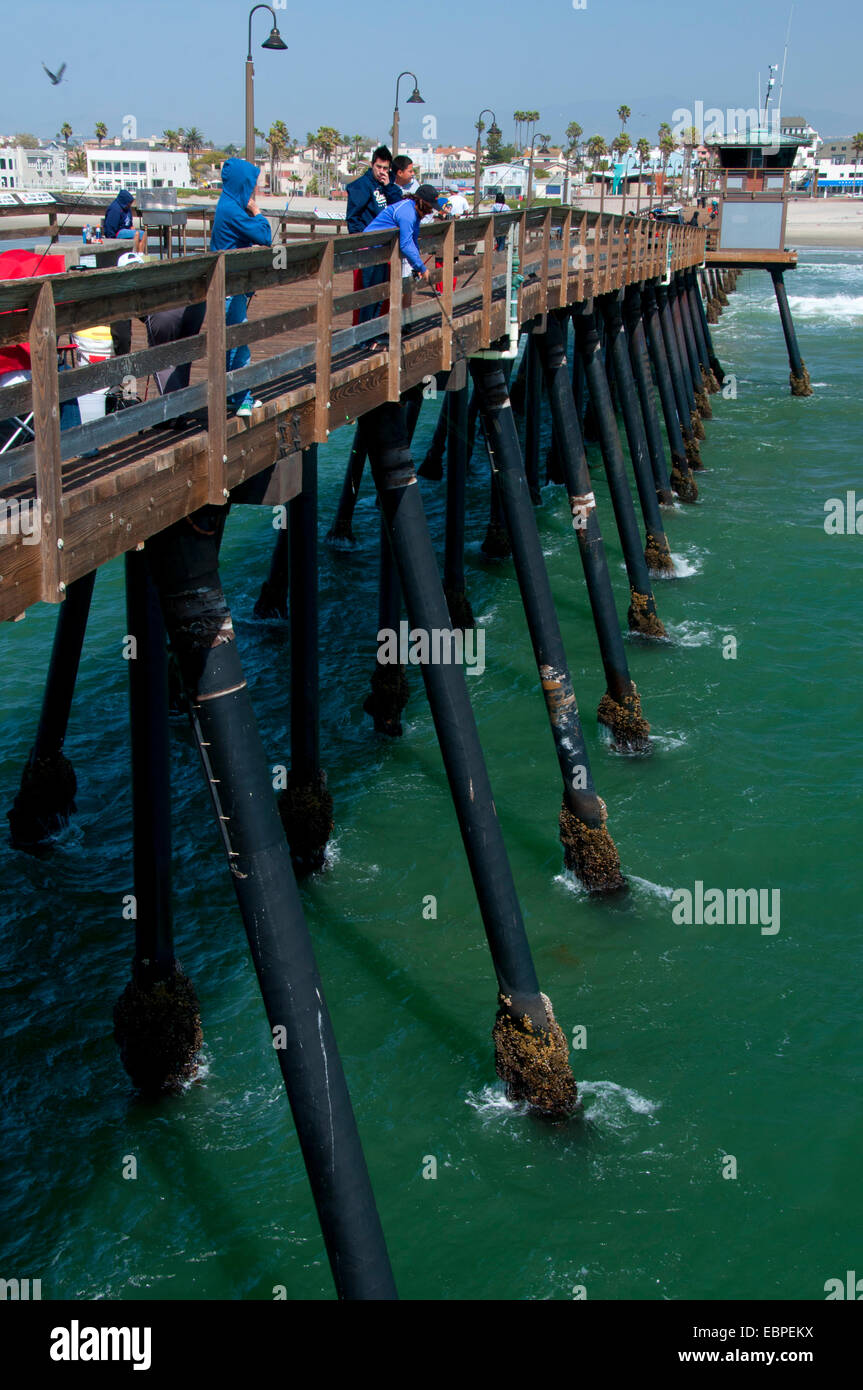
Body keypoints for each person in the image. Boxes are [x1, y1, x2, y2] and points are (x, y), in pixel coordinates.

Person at [210, 157, 272, 417]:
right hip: (228, 288)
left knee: (232, 341)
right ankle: (241, 398)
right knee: (237, 342)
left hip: (230, 286)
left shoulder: (227, 204)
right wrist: (256, 211)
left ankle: (233, 395)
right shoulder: (232, 210)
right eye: (251, 184)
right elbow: (266, 236)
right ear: (242, 184)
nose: (253, 190)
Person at [360, 185, 439, 336]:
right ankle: (365, 340)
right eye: (429, 207)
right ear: (421, 201)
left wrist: (417, 265)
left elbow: (413, 241)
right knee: (371, 298)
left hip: (381, 253)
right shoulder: (408, 212)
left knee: (380, 295)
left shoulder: (415, 212)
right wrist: (422, 268)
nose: (430, 212)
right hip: (369, 252)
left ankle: (373, 336)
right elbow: (406, 244)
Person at [347, 146, 403, 324]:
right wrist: (361, 241)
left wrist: (388, 186)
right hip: (368, 246)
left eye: (385, 168)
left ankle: (375, 331)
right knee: (368, 293)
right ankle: (364, 336)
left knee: (381, 292)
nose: (382, 171)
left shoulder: (389, 185)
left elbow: (399, 207)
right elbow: (353, 218)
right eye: (379, 167)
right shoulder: (362, 186)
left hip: (384, 247)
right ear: (372, 165)